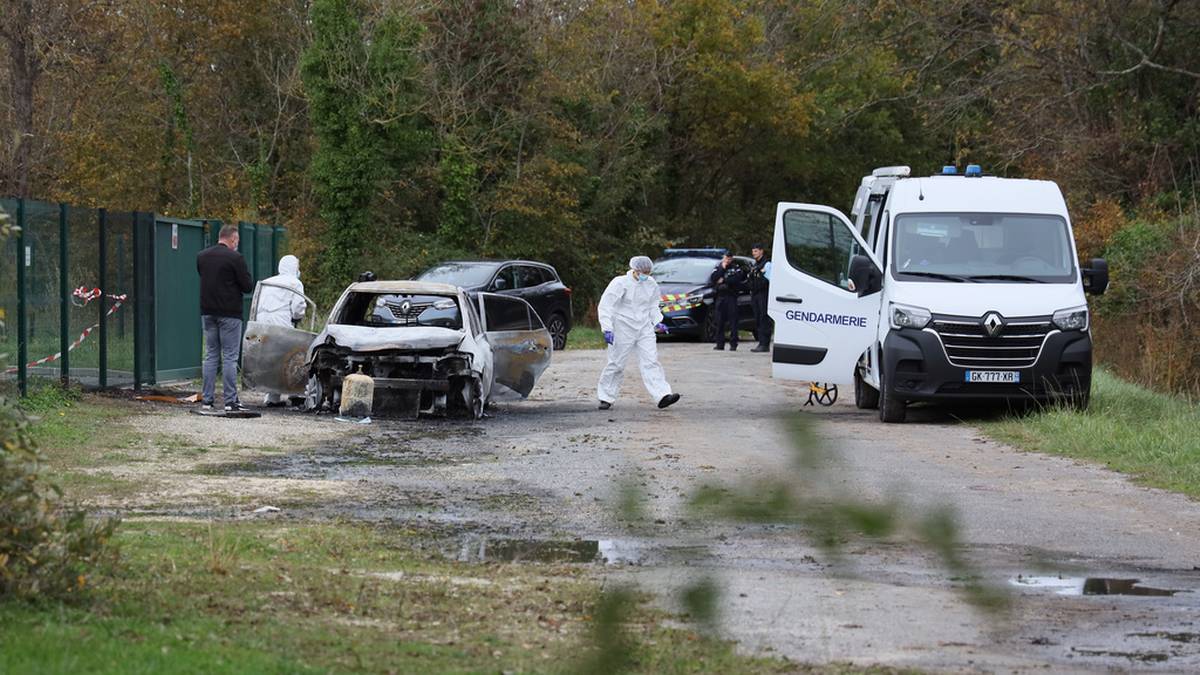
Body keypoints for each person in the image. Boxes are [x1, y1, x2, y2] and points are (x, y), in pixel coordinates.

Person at [596, 256, 681, 411]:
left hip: (644, 328)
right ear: (635, 270)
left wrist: (657, 321)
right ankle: (606, 397)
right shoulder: (620, 283)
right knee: (616, 363)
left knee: (651, 361)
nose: (646, 275)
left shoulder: (651, 284)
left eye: (648, 272)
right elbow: (606, 306)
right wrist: (607, 328)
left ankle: (662, 395)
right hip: (622, 326)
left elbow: (653, 306)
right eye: (643, 272)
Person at [197, 224, 253, 412]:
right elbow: (247, 286)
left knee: (211, 355)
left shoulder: (202, 256)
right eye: (236, 240)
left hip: (207, 312)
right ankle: (230, 401)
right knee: (229, 357)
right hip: (229, 313)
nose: (236, 243)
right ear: (231, 239)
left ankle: (207, 400)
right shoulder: (235, 258)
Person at [254, 254, 306, 406]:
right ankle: (295, 392)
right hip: (282, 322)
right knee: (288, 358)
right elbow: (298, 307)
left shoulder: (267, 282)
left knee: (269, 358)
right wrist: (297, 318)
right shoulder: (295, 283)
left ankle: (271, 397)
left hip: (261, 323)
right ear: (294, 267)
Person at [708, 251, 746, 351]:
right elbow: (713, 278)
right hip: (721, 297)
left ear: (732, 258)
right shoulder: (718, 267)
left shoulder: (735, 267)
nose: (728, 260)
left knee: (733, 322)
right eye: (726, 258)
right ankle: (719, 343)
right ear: (723, 258)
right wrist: (722, 269)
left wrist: (724, 280)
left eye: (729, 258)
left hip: (731, 297)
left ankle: (733, 344)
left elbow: (736, 280)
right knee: (719, 321)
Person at [748, 243, 773, 352]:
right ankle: (761, 342)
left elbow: (768, 280)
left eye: (756, 251)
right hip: (755, 294)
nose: (754, 253)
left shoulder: (767, 264)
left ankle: (765, 343)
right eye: (753, 251)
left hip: (763, 294)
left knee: (764, 318)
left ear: (761, 251)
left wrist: (760, 274)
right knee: (758, 318)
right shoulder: (754, 265)